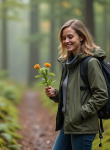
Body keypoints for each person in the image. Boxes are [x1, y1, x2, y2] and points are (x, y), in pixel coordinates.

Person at [45, 19, 108, 150]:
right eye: (63, 38)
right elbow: (72, 96)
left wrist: (80, 114)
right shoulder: (68, 64)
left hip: (83, 126)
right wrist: (56, 95)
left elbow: (101, 95)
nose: (66, 41)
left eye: (70, 37)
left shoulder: (90, 63)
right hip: (68, 124)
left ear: (81, 37)